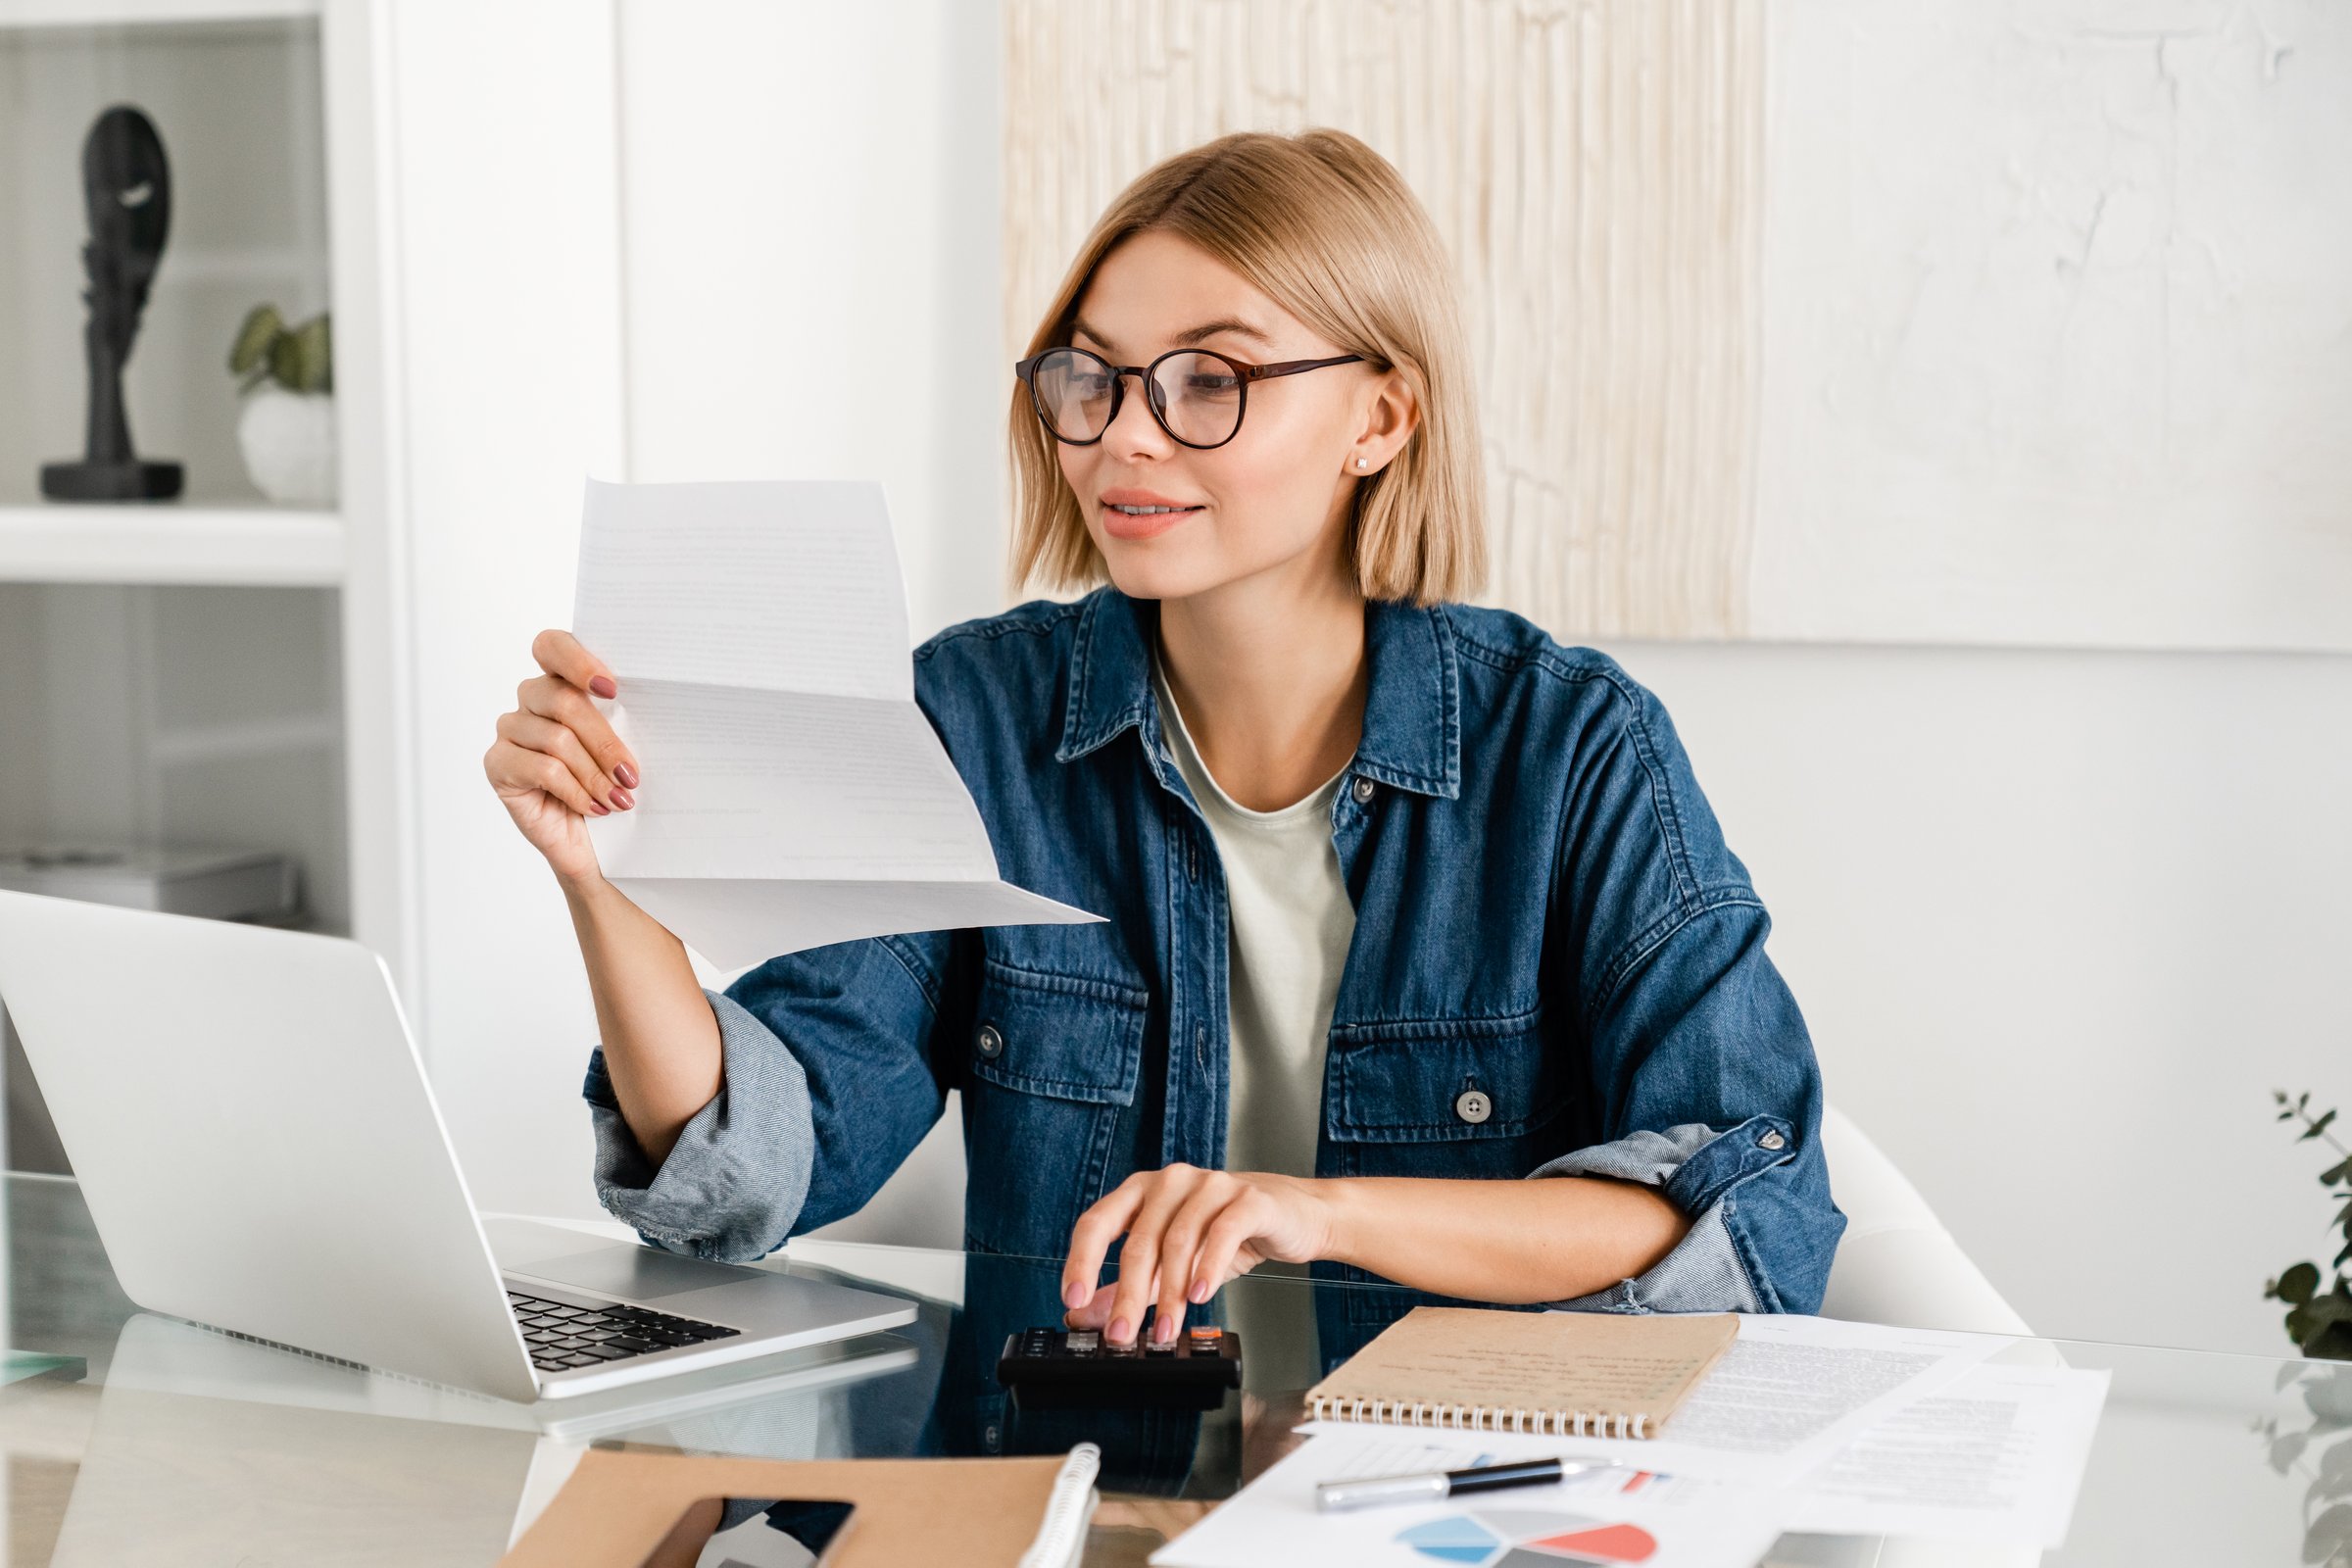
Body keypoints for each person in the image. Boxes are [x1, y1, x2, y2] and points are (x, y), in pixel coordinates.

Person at [482, 128, 1843, 1390]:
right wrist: (603, 879)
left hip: (1445, 1495)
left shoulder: (1572, 751)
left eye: (1211, 379)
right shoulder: (974, 718)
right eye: (1094, 376)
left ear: (1380, 420)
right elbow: (753, 1169)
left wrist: (1312, 1214)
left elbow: (1740, 1213)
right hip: (1091, 1483)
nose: (1125, 432)